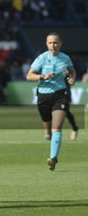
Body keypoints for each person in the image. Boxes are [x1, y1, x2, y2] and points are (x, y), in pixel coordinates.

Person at [26, 32, 76, 171]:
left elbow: (72, 71)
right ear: (46, 44)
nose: (52, 45)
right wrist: (43, 76)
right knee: (48, 129)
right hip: (43, 97)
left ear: (60, 43)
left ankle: (53, 158)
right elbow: (29, 76)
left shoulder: (65, 58)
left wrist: (72, 78)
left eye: (55, 42)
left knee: (57, 127)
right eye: (50, 43)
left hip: (60, 95)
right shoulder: (41, 58)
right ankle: (47, 133)